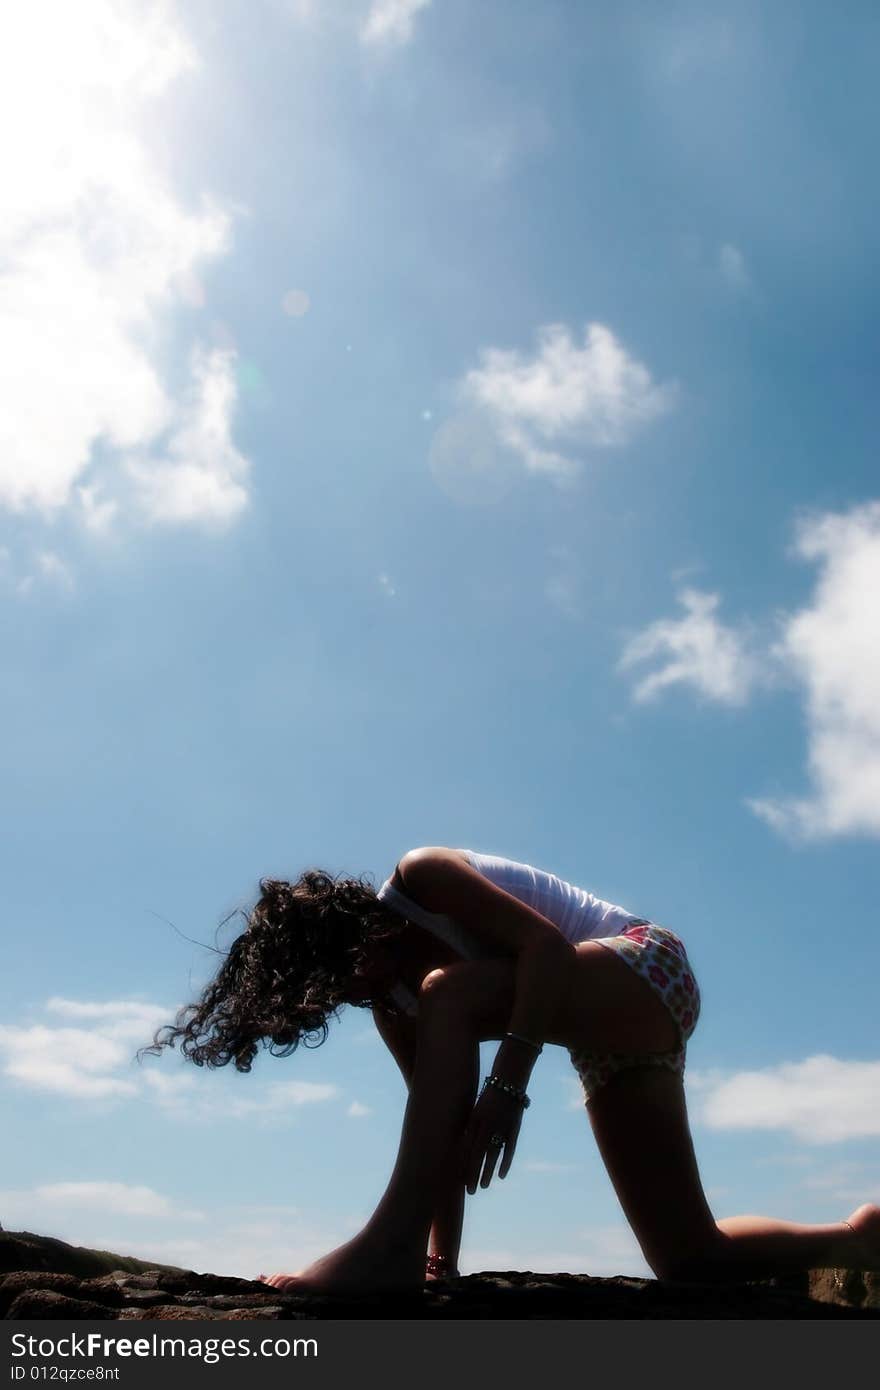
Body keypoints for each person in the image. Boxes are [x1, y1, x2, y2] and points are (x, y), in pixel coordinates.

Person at [142, 845, 879, 1292]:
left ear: (348, 933)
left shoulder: (423, 880)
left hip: (644, 965)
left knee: (450, 990)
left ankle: (382, 1251)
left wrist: (509, 1085)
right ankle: (858, 1235)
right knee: (690, 1259)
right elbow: (437, 1131)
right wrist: (443, 1262)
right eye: (334, 998)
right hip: (613, 1034)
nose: (353, 995)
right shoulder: (394, 1003)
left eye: (343, 975)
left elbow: (548, 951)